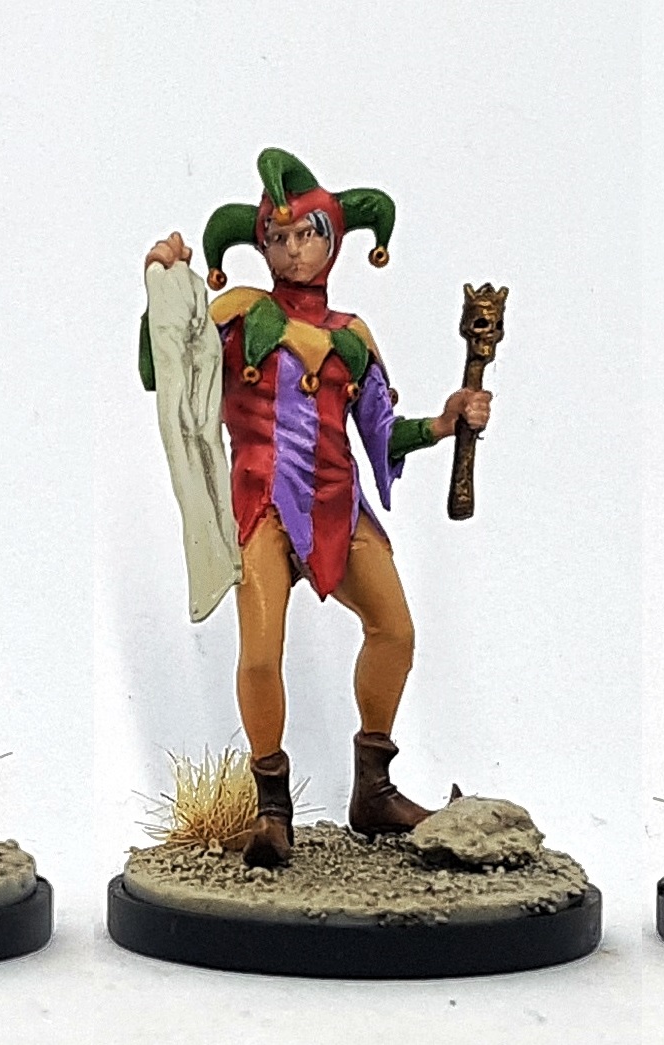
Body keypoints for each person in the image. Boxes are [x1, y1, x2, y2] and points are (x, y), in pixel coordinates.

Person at [141, 148, 490, 868]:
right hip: (261, 505)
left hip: (338, 504)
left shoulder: (353, 336)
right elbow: (159, 369)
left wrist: (446, 421)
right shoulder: (237, 315)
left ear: (333, 241)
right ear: (260, 244)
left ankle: (374, 789)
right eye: (278, 237)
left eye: (307, 235)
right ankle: (272, 809)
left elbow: (381, 433)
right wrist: (162, 291)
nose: (293, 249)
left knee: (395, 630)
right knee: (259, 655)